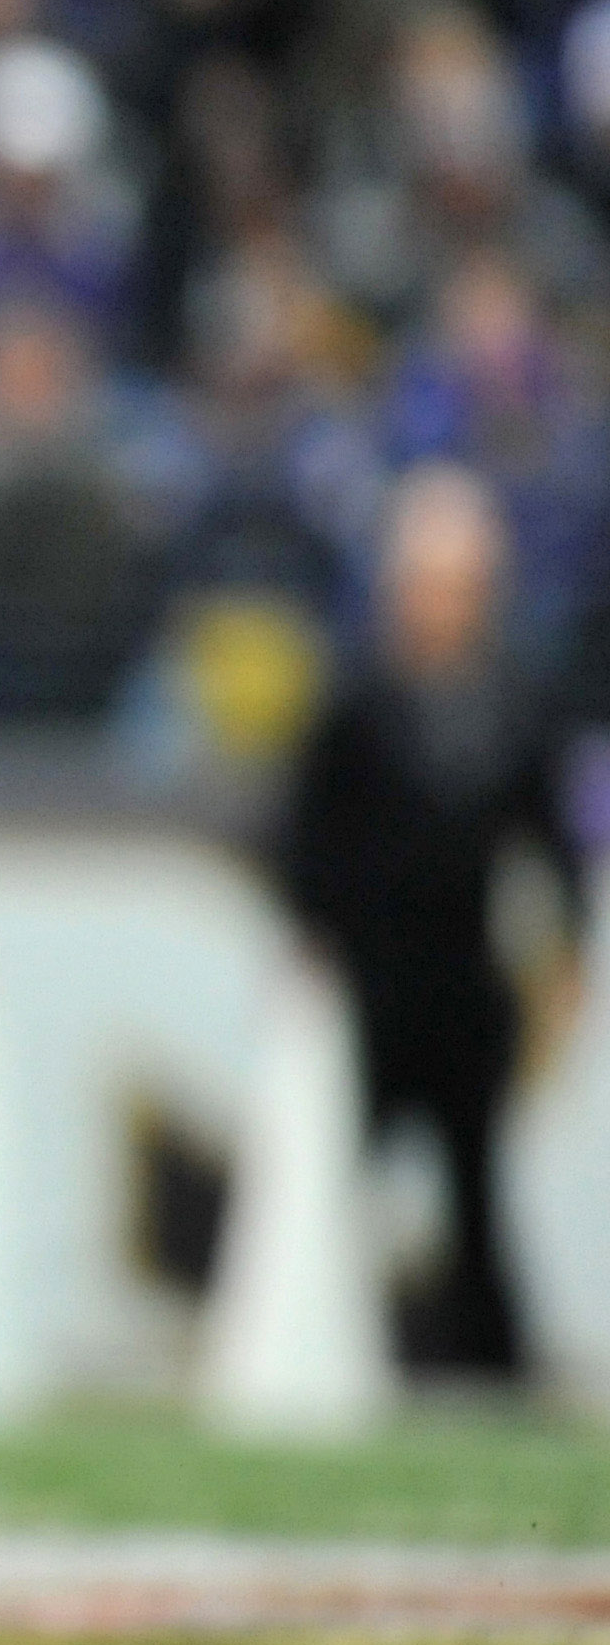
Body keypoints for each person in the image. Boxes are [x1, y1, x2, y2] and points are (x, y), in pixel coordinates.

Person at [270, 463, 583, 1382]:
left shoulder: (515, 704)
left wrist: (567, 950)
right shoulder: (359, 701)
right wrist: (314, 936)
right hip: (370, 979)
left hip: (463, 976)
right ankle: (315, 1344)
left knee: (476, 1188)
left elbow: (549, 844)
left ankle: (487, 1367)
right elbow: (305, 837)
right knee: (329, 1182)